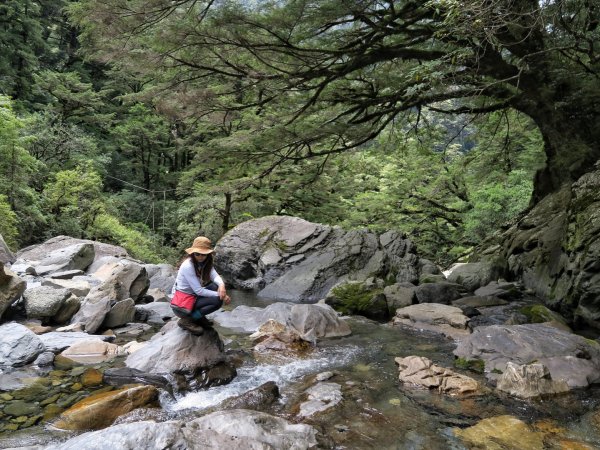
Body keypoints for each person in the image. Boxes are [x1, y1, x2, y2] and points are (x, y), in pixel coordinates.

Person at [170, 236, 231, 335]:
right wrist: (222, 295)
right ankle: (188, 320)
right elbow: (199, 291)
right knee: (217, 301)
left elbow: (215, 276)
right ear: (193, 253)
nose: (200, 257)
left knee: (216, 286)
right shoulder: (188, 266)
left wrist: (222, 286)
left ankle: (198, 317)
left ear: (208, 254)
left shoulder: (205, 263)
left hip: (193, 296)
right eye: (197, 254)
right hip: (181, 304)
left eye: (204, 254)